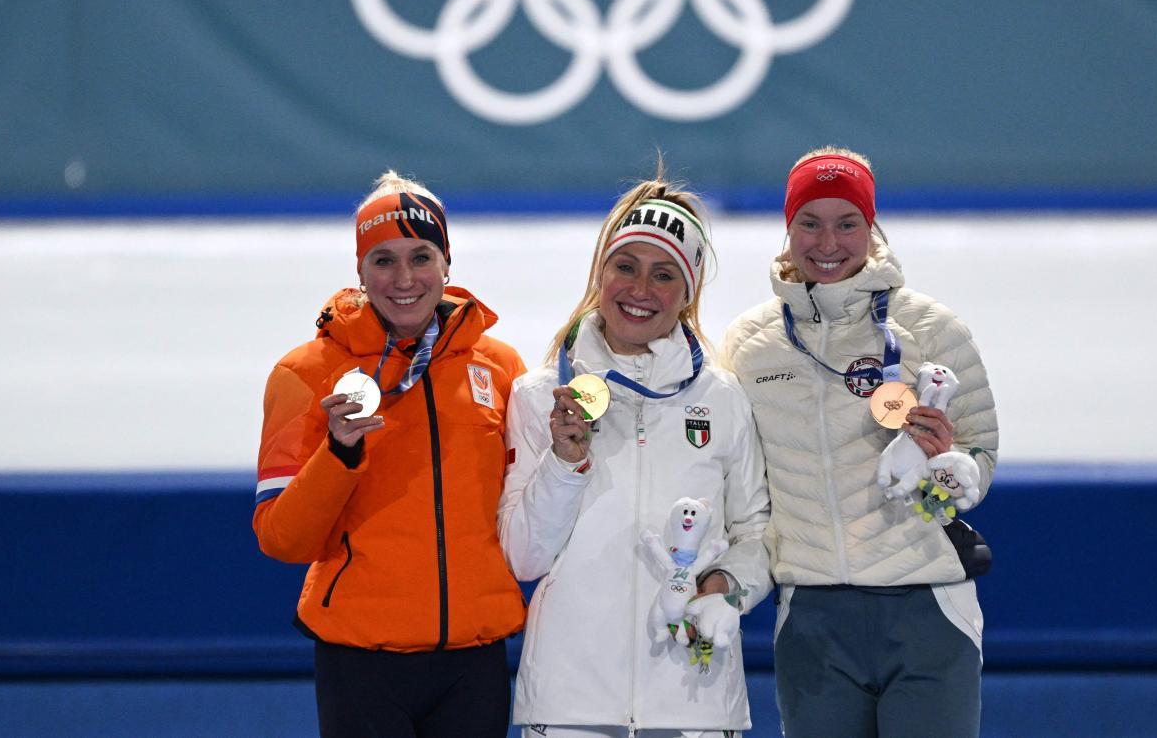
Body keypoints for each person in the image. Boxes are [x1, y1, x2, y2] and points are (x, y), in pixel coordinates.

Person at [722, 147, 999, 738]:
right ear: (788, 227)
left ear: (870, 228)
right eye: (810, 223)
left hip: (926, 604)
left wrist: (952, 467)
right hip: (813, 614)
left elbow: (980, 451)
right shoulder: (749, 344)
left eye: (847, 223)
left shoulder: (930, 328)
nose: (828, 242)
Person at [253, 171, 527, 738]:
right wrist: (338, 452)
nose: (404, 279)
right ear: (360, 270)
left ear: (447, 263)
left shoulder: (500, 369)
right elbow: (282, 540)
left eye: (421, 257)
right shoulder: (305, 375)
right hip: (361, 665)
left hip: (474, 662)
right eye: (383, 260)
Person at [498, 173, 772, 737]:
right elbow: (524, 559)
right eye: (626, 266)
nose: (640, 289)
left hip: (694, 701)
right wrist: (564, 465)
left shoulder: (723, 399)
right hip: (569, 708)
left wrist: (727, 589)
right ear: (600, 274)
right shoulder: (539, 396)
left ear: (688, 291)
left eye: (664, 274)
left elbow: (758, 531)